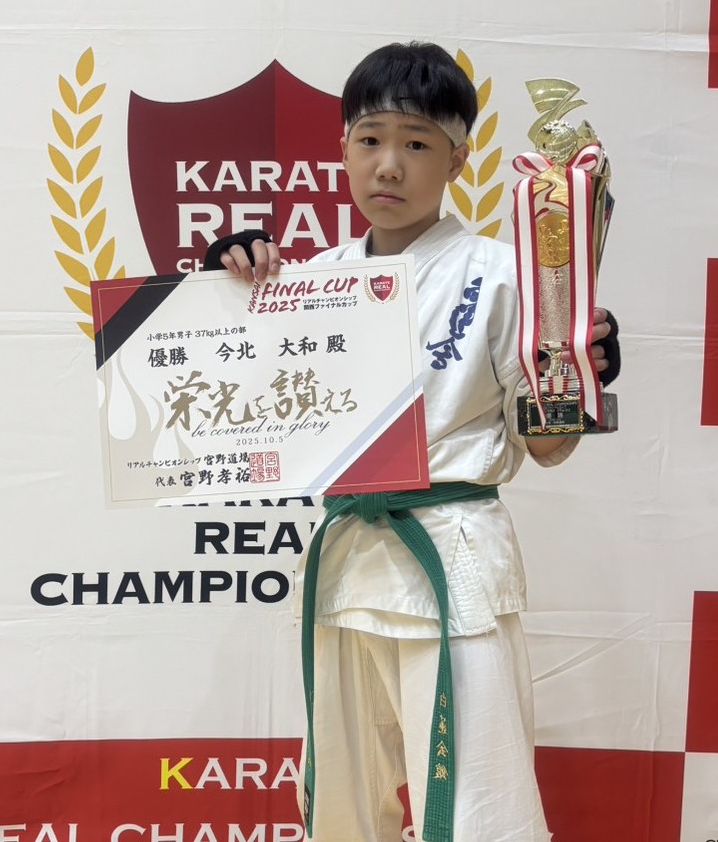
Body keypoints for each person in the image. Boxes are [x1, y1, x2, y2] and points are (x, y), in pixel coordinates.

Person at [203, 41, 619, 842]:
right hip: (345, 560)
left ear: (458, 158)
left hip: (451, 560)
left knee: (477, 804)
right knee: (341, 804)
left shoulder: (510, 275)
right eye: (369, 139)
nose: (388, 165)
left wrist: (577, 373)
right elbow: (231, 402)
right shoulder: (307, 281)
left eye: (416, 143)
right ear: (342, 150)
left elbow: (548, 449)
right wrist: (222, 288)